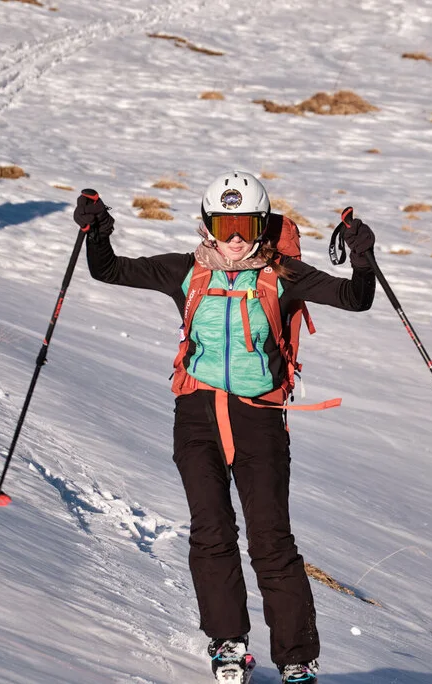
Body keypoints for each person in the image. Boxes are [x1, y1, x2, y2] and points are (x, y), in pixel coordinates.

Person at [75, 172, 377, 684]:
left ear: (261, 226)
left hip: (259, 420)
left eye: (246, 226)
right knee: (211, 531)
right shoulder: (185, 270)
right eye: (224, 225)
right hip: (197, 417)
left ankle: (297, 660)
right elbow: (108, 270)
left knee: (271, 540)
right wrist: (97, 229)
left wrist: (362, 254)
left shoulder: (283, 275)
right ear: (207, 225)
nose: (235, 238)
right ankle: (228, 644)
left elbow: (356, 298)